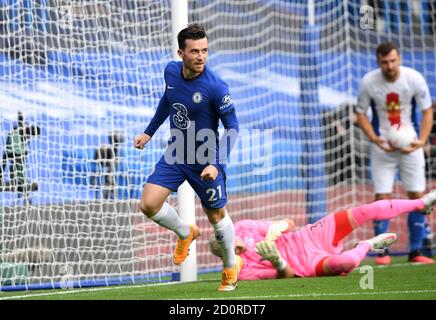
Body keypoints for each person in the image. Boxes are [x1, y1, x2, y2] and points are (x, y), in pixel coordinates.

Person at [133, 24, 240, 291]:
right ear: (181, 53)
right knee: (149, 204)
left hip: (206, 158)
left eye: (204, 50)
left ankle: (229, 267)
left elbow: (233, 127)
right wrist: (148, 132)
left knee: (215, 216)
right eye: (194, 51)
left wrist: (217, 164)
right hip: (177, 151)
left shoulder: (216, 87)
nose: (201, 56)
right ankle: (185, 232)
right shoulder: (170, 71)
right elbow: (168, 101)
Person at [209, 190, 436, 280]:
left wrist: (275, 228)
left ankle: (420, 203)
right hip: (309, 264)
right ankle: (367, 245)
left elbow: (290, 223)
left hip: (309, 237)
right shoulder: (241, 271)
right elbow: (288, 277)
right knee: (346, 262)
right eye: (232, 249)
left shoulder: (244, 226)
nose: (237, 245)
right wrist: (277, 260)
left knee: (363, 211)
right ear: (228, 254)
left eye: (232, 239)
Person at [355, 42, 434, 265]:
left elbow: (427, 111)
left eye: (393, 60)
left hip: (411, 147)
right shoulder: (369, 81)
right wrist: (375, 139)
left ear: (399, 58)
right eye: (384, 62)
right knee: (381, 198)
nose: (389, 66)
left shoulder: (414, 78)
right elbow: (360, 113)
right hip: (383, 148)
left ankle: (417, 251)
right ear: (378, 62)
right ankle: (382, 252)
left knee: (418, 198)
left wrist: (421, 140)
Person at [1, 112, 40, 197]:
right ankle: (18, 181)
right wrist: (20, 114)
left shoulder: (27, 137)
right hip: (12, 146)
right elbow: (20, 123)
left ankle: (19, 181)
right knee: (14, 161)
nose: (31, 136)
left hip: (15, 149)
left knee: (16, 164)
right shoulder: (23, 128)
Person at [93, 131, 125, 199]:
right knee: (108, 179)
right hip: (103, 166)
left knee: (109, 179)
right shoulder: (109, 150)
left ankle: (106, 196)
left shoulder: (115, 152)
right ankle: (104, 196)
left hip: (104, 166)